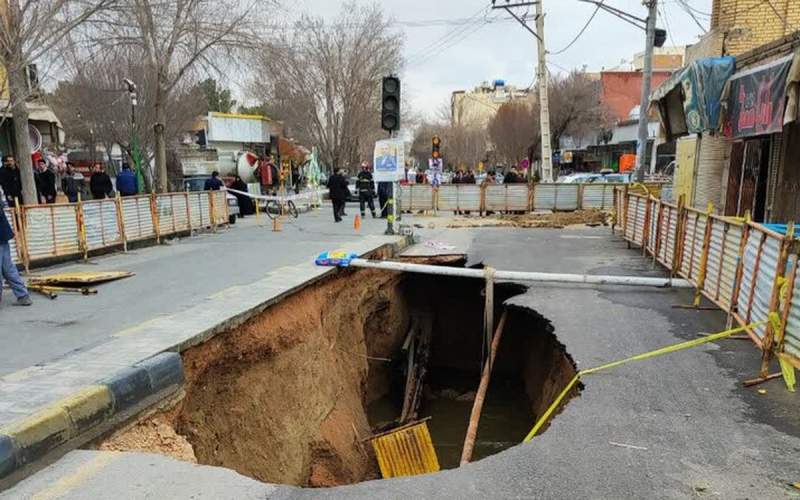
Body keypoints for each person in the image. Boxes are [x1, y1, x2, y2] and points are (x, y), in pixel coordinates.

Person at [0, 186, 31, 306]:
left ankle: (23, 295)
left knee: (6, 267)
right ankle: (23, 295)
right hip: (2, 233)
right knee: (7, 267)